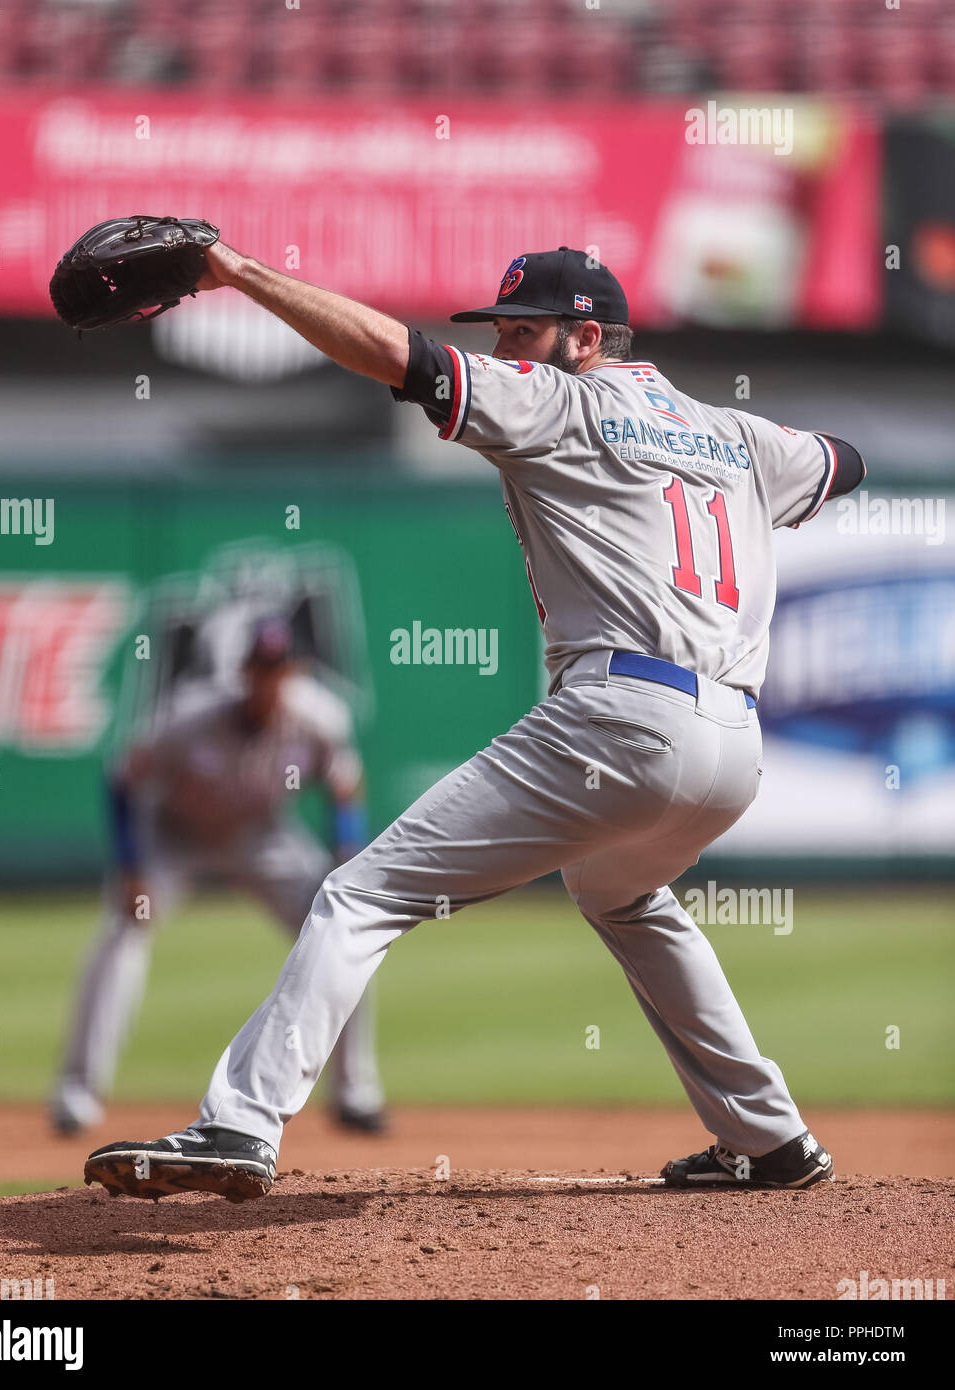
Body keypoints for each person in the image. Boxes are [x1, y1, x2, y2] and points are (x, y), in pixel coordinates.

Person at [85, 244, 865, 1202]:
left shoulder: (562, 401)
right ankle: (769, 1138)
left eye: (523, 330)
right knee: (626, 897)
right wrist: (731, 461)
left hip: (619, 720)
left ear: (588, 337)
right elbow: (845, 462)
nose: (505, 347)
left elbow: (397, 358)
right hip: (732, 754)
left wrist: (238, 273)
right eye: (498, 330)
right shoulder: (739, 437)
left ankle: (240, 1125)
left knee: (359, 894)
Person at [54, 615, 385, 1138]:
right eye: (260, 667)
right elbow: (122, 779)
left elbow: (346, 787)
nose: (269, 678)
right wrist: (132, 867)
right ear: (243, 669)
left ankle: (355, 1093)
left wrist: (345, 853)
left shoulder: (319, 718)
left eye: (279, 668)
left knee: (345, 925)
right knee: (124, 930)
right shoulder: (190, 717)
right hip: (174, 836)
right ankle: (77, 1095)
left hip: (261, 839)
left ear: (295, 671)